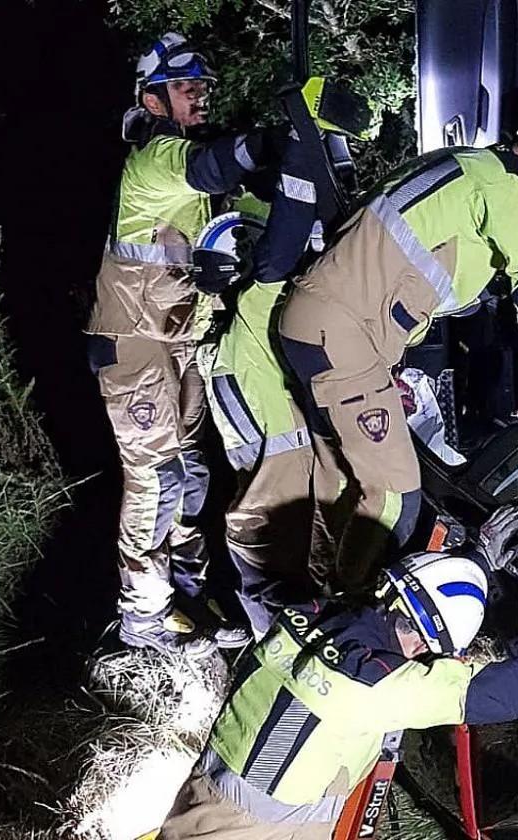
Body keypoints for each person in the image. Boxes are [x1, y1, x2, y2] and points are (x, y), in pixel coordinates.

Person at [158, 504, 518, 839]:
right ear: (430, 645)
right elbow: (499, 695)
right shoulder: (376, 686)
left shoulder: (320, 613)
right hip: (260, 825)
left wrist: (476, 563)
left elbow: (428, 599)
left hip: (209, 787)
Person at [277, 110, 518, 571]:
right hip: (342, 333)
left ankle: (312, 589)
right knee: (396, 501)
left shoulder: (465, 163)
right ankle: (348, 611)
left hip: (322, 325)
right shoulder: (508, 189)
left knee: (341, 479)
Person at [86, 32, 278, 657]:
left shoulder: (196, 174)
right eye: (187, 87)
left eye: (202, 88)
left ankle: (187, 596)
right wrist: (274, 138)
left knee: (193, 475)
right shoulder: (156, 159)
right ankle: (144, 617)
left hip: (181, 345)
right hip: (134, 346)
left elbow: (246, 206)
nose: (200, 98)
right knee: (157, 479)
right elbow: (217, 164)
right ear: (153, 97)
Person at [192, 83, 366, 639]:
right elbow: (290, 238)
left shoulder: (228, 330)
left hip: (271, 524)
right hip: (275, 528)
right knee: (291, 638)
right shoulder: (253, 309)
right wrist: (302, 142)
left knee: (288, 630)